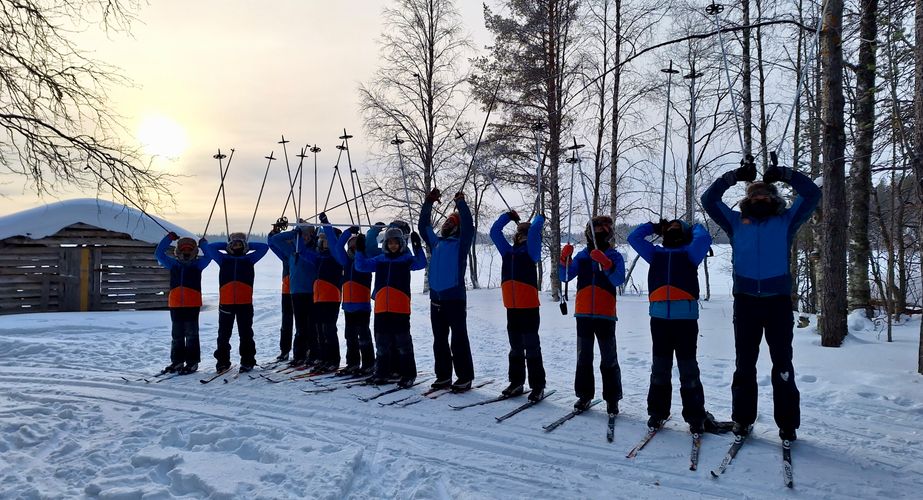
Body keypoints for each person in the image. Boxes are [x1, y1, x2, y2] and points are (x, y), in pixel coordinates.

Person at [700, 157, 821, 443]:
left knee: (782, 364)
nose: (760, 197)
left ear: (773, 198)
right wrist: (733, 176)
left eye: (765, 193)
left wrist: (785, 174)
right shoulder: (734, 222)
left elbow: (813, 194)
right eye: (754, 194)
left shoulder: (787, 221)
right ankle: (742, 420)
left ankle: (787, 425)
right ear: (747, 199)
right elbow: (709, 199)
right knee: (745, 364)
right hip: (745, 302)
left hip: (777, 302)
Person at [628, 219, 711, 433]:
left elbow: (704, 238)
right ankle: (657, 413)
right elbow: (633, 238)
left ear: (684, 233)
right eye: (669, 227)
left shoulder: (691, 253)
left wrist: (693, 227)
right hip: (659, 320)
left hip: (685, 321)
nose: (673, 229)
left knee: (688, 369)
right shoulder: (655, 254)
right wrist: (653, 226)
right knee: (660, 368)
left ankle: (695, 416)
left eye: (677, 227)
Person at [559, 215, 626, 415]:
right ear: (589, 232)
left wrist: (606, 263)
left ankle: (612, 399)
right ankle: (584, 395)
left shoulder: (615, 256)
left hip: (606, 314)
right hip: (583, 313)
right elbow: (565, 276)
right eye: (595, 230)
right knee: (584, 357)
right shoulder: (581, 256)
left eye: (604, 230)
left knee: (609, 358)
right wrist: (564, 259)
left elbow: (617, 280)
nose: (600, 233)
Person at [354, 225, 427, 388]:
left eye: (396, 242)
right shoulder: (380, 260)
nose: (392, 245)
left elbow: (421, 263)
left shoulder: (406, 259)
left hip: (400, 307)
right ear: (385, 244)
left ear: (401, 244)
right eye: (389, 242)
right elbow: (361, 266)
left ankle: (408, 374)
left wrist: (417, 247)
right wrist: (359, 250)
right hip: (381, 307)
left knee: (403, 343)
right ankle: (382, 373)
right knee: (381, 343)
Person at [418, 188, 475, 392]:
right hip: (436, 300)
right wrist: (429, 202)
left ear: (456, 227)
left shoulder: (461, 244)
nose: (447, 223)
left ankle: (464, 377)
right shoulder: (436, 243)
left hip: (455, 299)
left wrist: (460, 203)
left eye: (452, 221)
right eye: (446, 221)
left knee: (458, 339)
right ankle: (443, 376)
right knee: (439, 340)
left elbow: (469, 227)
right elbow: (423, 227)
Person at [489, 210, 547, 402]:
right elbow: (494, 232)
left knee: (531, 347)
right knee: (515, 348)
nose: (522, 236)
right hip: (511, 307)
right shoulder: (508, 251)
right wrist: (508, 216)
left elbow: (535, 231)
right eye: (519, 233)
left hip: (529, 307)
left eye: (525, 234)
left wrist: (539, 218)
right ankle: (516, 382)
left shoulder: (531, 252)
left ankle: (538, 386)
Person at [201, 232, 269, 372]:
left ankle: (248, 361)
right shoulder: (223, 259)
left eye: (240, 244)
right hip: (226, 303)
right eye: (234, 244)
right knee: (223, 335)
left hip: (245, 304)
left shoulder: (250, 259)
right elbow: (210, 248)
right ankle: (222, 362)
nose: (236, 246)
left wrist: (247, 246)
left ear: (244, 246)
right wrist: (227, 245)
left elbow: (264, 247)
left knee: (246, 334)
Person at [154, 232, 212, 375]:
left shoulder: (198, 265)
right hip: (175, 304)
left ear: (194, 251)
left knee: (192, 334)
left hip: (192, 304)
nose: (186, 252)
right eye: (183, 249)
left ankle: (192, 363)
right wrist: (168, 239)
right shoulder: (173, 264)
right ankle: (177, 361)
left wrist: (204, 245)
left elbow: (210, 256)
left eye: (189, 249)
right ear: (178, 251)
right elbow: (159, 254)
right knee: (177, 335)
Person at [324, 221, 375, 375]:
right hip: (348, 306)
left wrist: (369, 235)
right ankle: (352, 363)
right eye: (350, 245)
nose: (352, 247)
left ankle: (368, 363)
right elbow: (337, 247)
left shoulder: (365, 261)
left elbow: (371, 248)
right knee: (350, 336)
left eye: (355, 245)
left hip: (362, 305)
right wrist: (348, 232)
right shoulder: (345, 261)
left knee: (363, 336)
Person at [269, 225, 319, 367]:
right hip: (296, 292)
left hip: (312, 292)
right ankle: (299, 355)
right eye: (302, 235)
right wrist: (292, 233)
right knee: (300, 326)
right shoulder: (291, 250)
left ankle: (313, 354)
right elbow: (275, 240)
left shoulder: (314, 250)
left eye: (308, 235)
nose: (305, 237)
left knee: (312, 326)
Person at [312, 216, 344, 372]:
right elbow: (303, 251)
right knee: (319, 330)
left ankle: (333, 360)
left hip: (332, 297)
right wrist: (298, 235)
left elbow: (332, 242)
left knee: (329, 330)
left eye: (326, 240)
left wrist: (326, 225)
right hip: (318, 298)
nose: (324, 242)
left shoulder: (337, 257)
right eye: (321, 240)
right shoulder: (318, 256)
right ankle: (323, 358)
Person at [268, 218, 294, 362]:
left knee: (306, 324)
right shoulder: (285, 255)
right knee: (286, 323)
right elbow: (271, 242)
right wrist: (275, 231)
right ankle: (284, 351)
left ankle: (306, 350)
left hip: (304, 291)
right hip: (287, 291)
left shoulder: (303, 251)